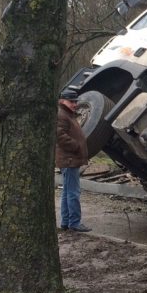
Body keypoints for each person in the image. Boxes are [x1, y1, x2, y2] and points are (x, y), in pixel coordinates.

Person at [57, 90, 91, 232]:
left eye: (76, 101)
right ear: (62, 100)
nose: (75, 104)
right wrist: (76, 146)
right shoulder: (61, 115)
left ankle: (66, 222)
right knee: (73, 193)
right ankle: (74, 223)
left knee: (67, 192)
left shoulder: (66, 114)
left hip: (69, 159)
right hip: (69, 159)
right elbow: (60, 135)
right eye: (71, 101)